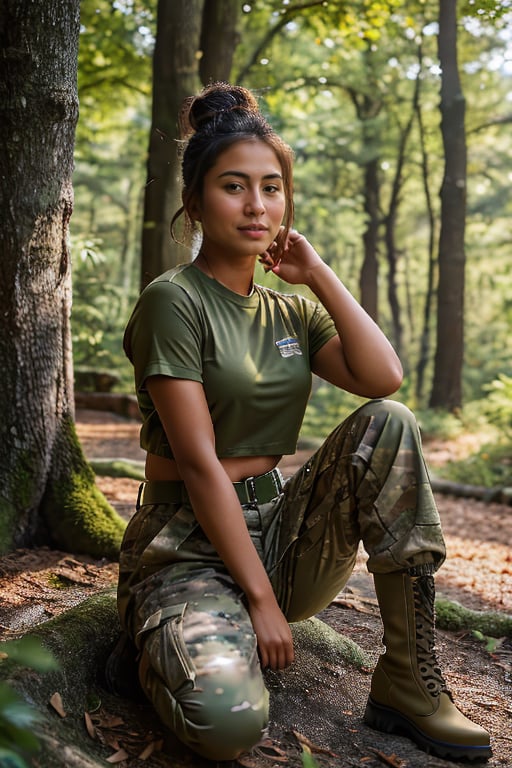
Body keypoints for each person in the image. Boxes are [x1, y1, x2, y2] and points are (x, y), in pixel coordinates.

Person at [108, 82, 491, 763]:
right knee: (226, 727)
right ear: (195, 202)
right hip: (185, 546)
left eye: (272, 187)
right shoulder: (175, 301)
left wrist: (318, 276)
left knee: (390, 422)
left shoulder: (290, 312)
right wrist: (258, 600)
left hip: (280, 530)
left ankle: (408, 681)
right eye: (234, 187)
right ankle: (153, 643)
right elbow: (198, 466)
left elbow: (383, 379)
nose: (257, 205)